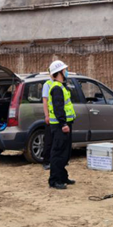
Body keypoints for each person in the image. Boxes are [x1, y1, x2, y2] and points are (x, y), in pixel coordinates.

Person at [46, 60, 76, 190]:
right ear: (59, 72)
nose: (66, 72)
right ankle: (54, 180)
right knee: (58, 153)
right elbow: (58, 108)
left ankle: (62, 176)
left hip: (64, 124)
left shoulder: (61, 86)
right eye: (65, 70)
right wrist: (63, 123)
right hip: (60, 125)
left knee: (65, 152)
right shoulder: (57, 88)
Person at [41, 75, 54, 171]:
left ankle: (54, 160)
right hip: (51, 116)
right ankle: (46, 161)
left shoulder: (60, 83)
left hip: (58, 117)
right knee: (48, 140)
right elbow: (45, 101)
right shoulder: (48, 84)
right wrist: (47, 115)